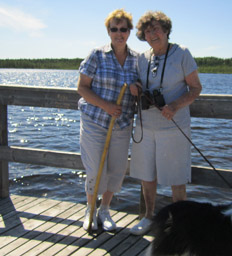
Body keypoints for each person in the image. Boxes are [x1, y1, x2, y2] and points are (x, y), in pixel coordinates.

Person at [129, 11, 202, 235]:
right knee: (146, 174)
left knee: (176, 177)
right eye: (148, 31)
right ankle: (148, 217)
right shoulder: (142, 57)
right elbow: (140, 83)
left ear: (167, 31)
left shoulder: (182, 53)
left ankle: (179, 223)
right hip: (145, 125)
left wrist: (175, 106)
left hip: (173, 126)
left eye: (157, 29)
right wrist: (136, 88)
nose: (152, 34)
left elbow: (196, 88)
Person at [77, 9, 138, 232]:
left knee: (117, 170)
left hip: (121, 125)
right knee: (95, 170)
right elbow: (82, 87)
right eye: (114, 29)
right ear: (108, 31)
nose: (119, 33)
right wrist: (107, 106)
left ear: (129, 31)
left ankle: (105, 209)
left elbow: (142, 87)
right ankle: (90, 210)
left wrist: (137, 89)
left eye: (123, 29)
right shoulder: (97, 54)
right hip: (95, 120)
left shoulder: (137, 60)